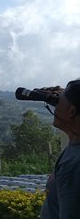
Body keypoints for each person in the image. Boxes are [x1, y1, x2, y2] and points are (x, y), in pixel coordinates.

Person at [40, 80, 80, 218]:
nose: (56, 106)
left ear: (72, 111)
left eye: (59, 102)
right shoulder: (75, 147)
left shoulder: (74, 163)